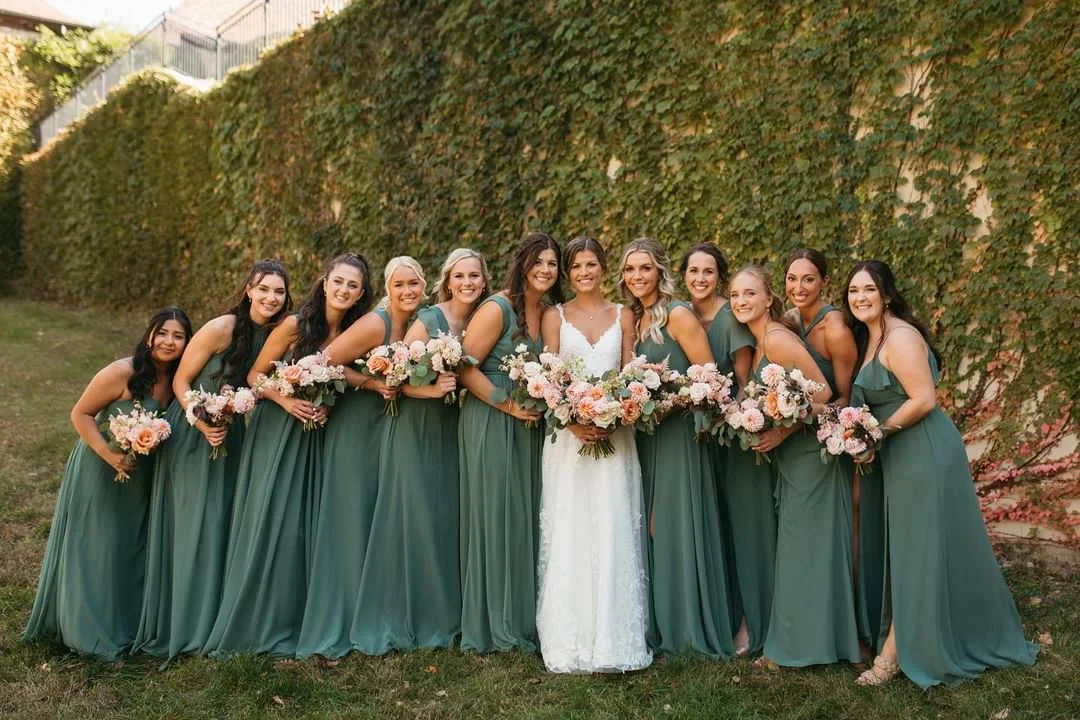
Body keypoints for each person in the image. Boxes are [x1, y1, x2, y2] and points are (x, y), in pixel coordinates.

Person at [845, 260, 1038, 687]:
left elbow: (924, 399)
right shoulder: (869, 336)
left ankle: (892, 656)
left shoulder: (901, 337)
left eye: (868, 289)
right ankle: (920, 633)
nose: (860, 297)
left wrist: (877, 433)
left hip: (924, 451)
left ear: (887, 295)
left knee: (917, 552)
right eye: (853, 291)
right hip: (898, 452)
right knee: (911, 549)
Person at [204, 253, 369, 657]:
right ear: (325, 283)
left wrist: (327, 404)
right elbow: (255, 375)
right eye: (338, 281)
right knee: (273, 518)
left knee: (303, 526)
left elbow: (344, 379)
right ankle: (255, 620)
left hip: (318, 436)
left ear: (361, 293)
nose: (344, 289)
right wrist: (287, 400)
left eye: (353, 285)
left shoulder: (356, 332)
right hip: (279, 429)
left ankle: (297, 615)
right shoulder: (295, 325)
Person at [135, 262, 290, 659]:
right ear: (249, 290)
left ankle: (212, 620)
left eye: (279, 291)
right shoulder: (222, 328)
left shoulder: (277, 334)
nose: (271, 297)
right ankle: (182, 623)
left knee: (220, 522)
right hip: (193, 430)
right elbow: (181, 381)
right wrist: (200, 419)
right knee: (194, 523)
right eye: (264, 289)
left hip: (231, 433)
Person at [24, 307, 192, 660]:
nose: (169, 341)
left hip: (141, 477)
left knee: (128, 547)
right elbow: (80, 413)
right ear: (149, 335)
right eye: (162, 333)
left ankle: (125, 624)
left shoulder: (178, 380)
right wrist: (108, 454)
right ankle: (89, 635)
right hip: (101, 467)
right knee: (98, 547)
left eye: (178, 336)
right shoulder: (122, 372)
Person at [351, 250, 488, 654]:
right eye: (459, 276)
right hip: (415, 427)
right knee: (414, 517)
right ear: (447, 281)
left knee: (444, 517)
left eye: (473, 276)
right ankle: (406, 616)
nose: (467, 283)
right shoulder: (428, 319)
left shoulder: (481, 317)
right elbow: (394, 377)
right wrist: (429, 390)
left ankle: (447, 613)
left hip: (451, 427)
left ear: (483, 281)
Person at [730, 265, 860, 668]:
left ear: (768, 298)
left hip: (809, 456)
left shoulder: (777, 339)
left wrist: (784, 429)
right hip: (789, 458)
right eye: (735, 295)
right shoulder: (760, 339)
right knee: (801, 551)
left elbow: (825, 394)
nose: (741, 301)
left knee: (805, 551)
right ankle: (815, 642)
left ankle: (789, 650)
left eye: (750, 293)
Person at [536, 236, 652, 673]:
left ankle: (613, 639)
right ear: (568, 273)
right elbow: (547, 378)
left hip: (615, 436)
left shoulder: (625, 314)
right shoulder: (554, 315)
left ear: (604, 268)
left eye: (591, 264)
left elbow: (629, 371)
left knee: (610, 522)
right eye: (576, 266)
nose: (584, 272)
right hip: (568, 441)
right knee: (572, 525)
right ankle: (568, 638)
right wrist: (571, 420)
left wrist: (616, 415)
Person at [621, 237, 733, 658]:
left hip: (679, 435)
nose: (637, 276)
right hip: (647, 436)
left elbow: (709, 381)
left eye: (645, 268)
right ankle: (663, 624)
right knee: (651, 525)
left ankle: (688, 629)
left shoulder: (678, 314)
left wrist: (667, 404)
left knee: (671, 524)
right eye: (630, 269)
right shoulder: (636, 318)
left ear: (660, 272)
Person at [458, 231, 562, 653]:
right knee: (496, 515)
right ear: (522, 264)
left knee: (522, 517)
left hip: (528, 425)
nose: (545, 269)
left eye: (552, 263)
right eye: (538, 261)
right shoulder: (497, 307)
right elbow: (464, 366)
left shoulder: (549, 312)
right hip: (491, 418)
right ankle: (493, 624)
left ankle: (523, 617)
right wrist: (507, 404)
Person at [785, 247, 884, 654]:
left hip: (834, 442)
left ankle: (853, 631)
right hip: (802, 444)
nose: (799, 287)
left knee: (844, 533)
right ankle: (812, 625)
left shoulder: (835, 327)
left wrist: (797, 415)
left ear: (824, 282)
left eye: (808, 279)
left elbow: (845, 398)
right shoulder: (793, 322)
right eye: (792, 278)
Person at [681, 243, 772, 656]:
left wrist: (731, 417)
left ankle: (753, 622)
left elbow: (748, 383)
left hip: (735, 439)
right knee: (714, 527)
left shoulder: (730, 318)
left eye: (709, 271)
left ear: (720, 276)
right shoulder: (681, 315)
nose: (700, 278)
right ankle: (722, 615)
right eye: (693, 271)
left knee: (744, 529)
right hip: (700, 442)